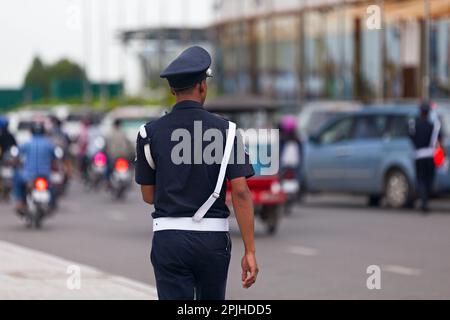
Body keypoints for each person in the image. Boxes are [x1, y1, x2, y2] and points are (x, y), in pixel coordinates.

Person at [135, 46, 258, 300]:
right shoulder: (229, 131)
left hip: (168, 239)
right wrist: (250, 251)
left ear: (172, 90)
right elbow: (241, 192)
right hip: (212, 241)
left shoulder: (149, 133)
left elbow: (148, 196)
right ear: (203, 86)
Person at [13, 121, 55, 213]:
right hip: (45, 175)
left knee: (16, 178)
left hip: (28, 175)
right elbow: (55, 157)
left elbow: (16, 153)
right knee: (52, 187)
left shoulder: (27, 144)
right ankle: (52, 204)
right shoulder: (48, 144)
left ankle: (19, 201)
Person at [409, 101, 441, 213]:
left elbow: (411, 138)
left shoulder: (415, 125)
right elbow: (437, 140)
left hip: (419, 156)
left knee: (421, 179)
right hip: (430, 156)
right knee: (428, 180)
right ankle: (425, 201)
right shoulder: (432, 126)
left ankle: (423, 202)